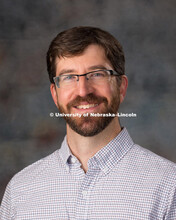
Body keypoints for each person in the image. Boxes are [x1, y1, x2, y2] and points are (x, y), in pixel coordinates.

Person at [0, 26, 176, 219]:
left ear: (121, 87)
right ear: (55, 94)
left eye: (97, 74)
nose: (83, 91)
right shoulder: (19, 190)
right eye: (69, 77)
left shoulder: (168, 185)